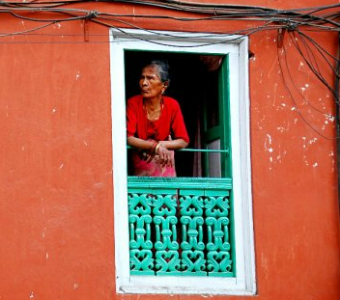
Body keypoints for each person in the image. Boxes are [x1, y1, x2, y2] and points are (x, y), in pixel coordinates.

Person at [126, 60, 189, 177]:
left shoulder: (172, 105)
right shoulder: (133, 103)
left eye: (150, 78)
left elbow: (183, 141)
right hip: (141, 165)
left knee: (167, 193)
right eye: (142, 78)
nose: (144, 83)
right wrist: (155, 147)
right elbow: (128, 138)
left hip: (164, 163)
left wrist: (160, 145)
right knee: (142, 194)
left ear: (164, 85)